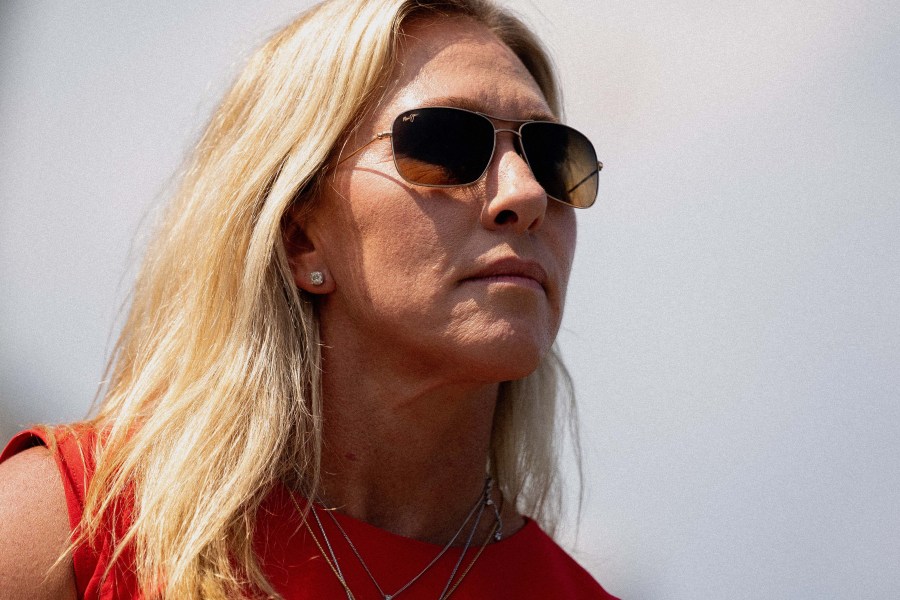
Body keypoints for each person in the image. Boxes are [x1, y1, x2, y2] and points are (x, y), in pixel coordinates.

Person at [0, 0, 616, 598]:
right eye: (444, 144)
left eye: (552, 158)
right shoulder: (70, 533)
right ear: (300, 239)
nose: (527, 194)